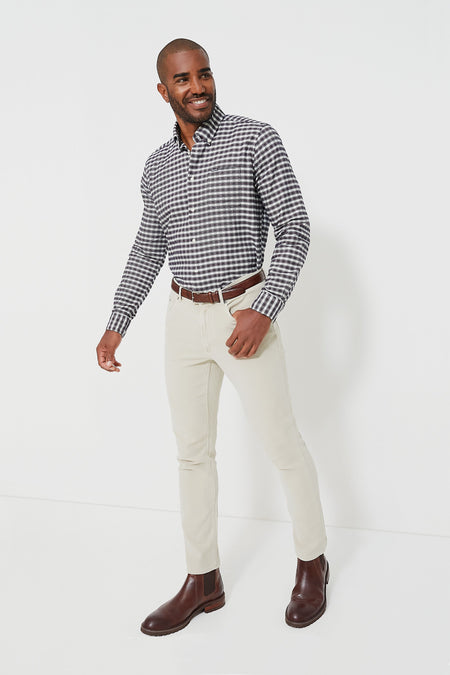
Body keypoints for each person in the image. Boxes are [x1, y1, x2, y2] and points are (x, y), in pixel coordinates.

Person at [96, 37, 330, 635]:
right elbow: (148, 247)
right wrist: (117, 323)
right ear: (163, 90)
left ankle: (312, 561)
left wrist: (264, 309)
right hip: (183, 319)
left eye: (203, 73)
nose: (197, 86)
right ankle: (203, 579)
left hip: (243, 312)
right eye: (183, 79)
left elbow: (295, 227)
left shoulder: (255, 138)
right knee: (192, 454)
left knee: (282, 443)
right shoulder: (157, 166)